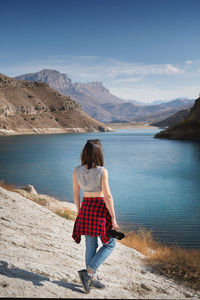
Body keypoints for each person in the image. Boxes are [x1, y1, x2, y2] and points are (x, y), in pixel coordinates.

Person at [72, 139, 119, 293]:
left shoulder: (76, 170)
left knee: (91, 246)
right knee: (110, 244)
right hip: (99, 209)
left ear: (84, 152)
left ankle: (92, 279)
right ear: (99, 153)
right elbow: (108, 196)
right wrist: (113, 218)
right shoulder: (102, 171)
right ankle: (89, 272)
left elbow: (75, 194)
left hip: (85, 208)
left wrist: (80, 212)